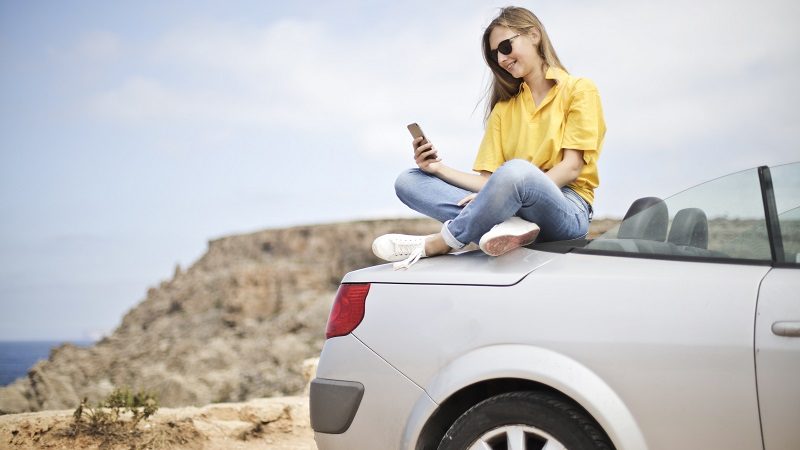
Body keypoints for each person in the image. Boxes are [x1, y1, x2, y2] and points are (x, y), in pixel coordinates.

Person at [373, 6, 606, 269]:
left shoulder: (580, 90)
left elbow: (571, 167)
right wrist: (438, 169)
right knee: (408, 181)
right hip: (510, 203)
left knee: (517, 172)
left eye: (505, 47)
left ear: (533, 35)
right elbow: (488, 182)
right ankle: (505, 224)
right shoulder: (503, 110)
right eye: (495, 55)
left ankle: (442, 242)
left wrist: (504, 193)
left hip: (566, 207)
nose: (502, 58)